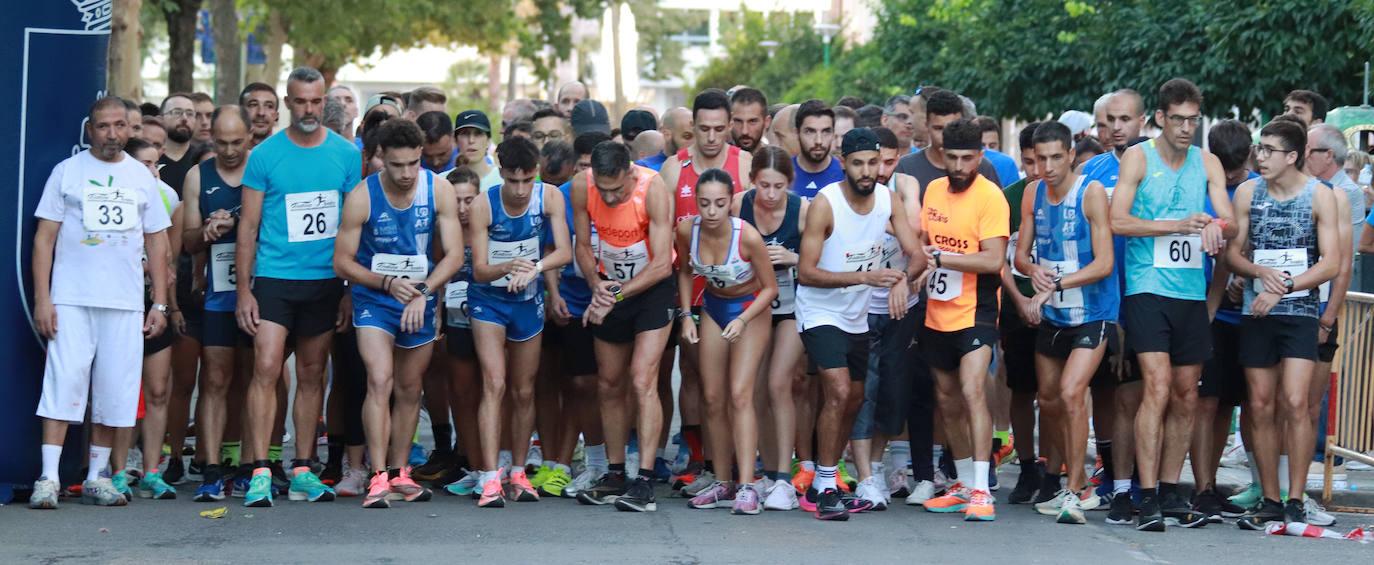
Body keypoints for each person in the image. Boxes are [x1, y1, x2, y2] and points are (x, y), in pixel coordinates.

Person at [29, 96, 172, 509]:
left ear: (130, 129)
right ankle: (49, 478)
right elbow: (45, 238)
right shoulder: (67, 172)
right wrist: (43, 298)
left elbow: (158, 242)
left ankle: (97, 475)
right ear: (90, 130)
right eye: (103, 126)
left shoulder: (141, 177)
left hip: (125, 302)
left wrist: (159, 303)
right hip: (71, 297)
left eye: (119, 126)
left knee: (115, 389)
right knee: (64, 382)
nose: (112, 134)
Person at [1108, 78, 1236, 531]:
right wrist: (1175, 225)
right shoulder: (1138, 158)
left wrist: (1216, 226)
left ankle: (1168, 489)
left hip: (1189, 292)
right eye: (1177, 119)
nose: (1185, 128)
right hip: (1146, 287)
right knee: (1157, 387)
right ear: (1160, 118)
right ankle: (1144, 496)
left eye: (1193, 120)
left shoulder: (1208, 162)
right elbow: (1118, 221)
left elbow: (1230, 218)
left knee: (1186, 394)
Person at [235, 67, 362, 507]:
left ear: (323, 101)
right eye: (300, 102)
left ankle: (305, 466)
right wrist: (244, 291)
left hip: (324, 280)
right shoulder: (265, 155)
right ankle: (259, 469)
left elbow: (353, 225)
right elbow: (247, 226)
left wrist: (348, 288)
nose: (308, 110)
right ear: (287, 103)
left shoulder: (346, 155)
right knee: (266, 367)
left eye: (315, 102)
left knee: (312, 374)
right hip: (274, 277)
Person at [333, 118, 465, 508]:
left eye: (413, 163)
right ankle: (376, 476)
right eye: (396, 165)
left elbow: (455, 255)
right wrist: (387, 283)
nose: (406, 173)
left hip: (419, 300)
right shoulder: (362, 196)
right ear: (380, 161)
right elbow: (341, 262)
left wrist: (424, 291)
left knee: (410, 389)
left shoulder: (438, 190)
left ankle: (399, 471)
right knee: (380, 379)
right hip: (377, 299)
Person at [795, 128, 923, 520]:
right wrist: (865, 278)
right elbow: (807, 272)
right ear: (843, 163)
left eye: (873, 162)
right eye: (858, 163)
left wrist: (902, 277)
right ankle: (829, 483)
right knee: (836, 390)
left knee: (853, 398)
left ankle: (823, 482)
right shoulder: (826, 204)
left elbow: (915, 253)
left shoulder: (888, 199)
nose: (867, 171)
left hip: (856, 317)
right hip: (820, 312)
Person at [1228, 119, 1340, 529]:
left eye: (1270, 150)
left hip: (1300, 311)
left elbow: (1331, 262)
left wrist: (1286, 285)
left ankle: (1296, 496)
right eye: (1260, 149)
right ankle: (1270, 497)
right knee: (1258, 404)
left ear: (1292, 157)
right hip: (1257, 310)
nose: (1261, 157)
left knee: (1295, 402)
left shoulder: (1319, 196)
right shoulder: (1247, 192)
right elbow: (1231, 255)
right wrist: (1258, 270)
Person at [1013, 122, 1118, 525]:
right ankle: (1064, 482)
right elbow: (1021, 255)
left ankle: (1077, 489)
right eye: (1041, 159)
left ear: (1071, 155)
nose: (1049, 166)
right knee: (1051, 400)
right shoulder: (1032, 192)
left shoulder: (1090, 193)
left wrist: (1058, 280)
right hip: (1052, 312)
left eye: (1057, 157)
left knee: (1074, 393)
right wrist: (1033, 271)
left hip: (1093, 311)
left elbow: (1105, 262)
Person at [466, 136, 572, 506]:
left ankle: (518, 471)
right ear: (501, 173)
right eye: (513, 181)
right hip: (489, 301)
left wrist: (535, 269)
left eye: (528, 180)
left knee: (524, 390)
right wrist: (506, 267)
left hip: (527, 300)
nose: (521, 189)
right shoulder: (484, 204)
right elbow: (478, 270)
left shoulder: (551, 197)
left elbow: (564, 251)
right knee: (494, 382)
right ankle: (489, 475)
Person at [572, 142, 675, 513]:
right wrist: (595, 286)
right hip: (610, 284)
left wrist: (614, 297)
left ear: (631, 173)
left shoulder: (654, 189)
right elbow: (582, 246)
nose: (611, 197)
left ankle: (644, 478)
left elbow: (663, 263)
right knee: (609, 382)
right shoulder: (583, 186)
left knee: (642, 379)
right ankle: (616, 472)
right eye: (604, 189)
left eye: (618, 189)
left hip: (651, 289)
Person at [913, 118, 1008, 523]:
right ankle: (965, 483)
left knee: (972, 390)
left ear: (980, 157)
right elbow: (922, 239)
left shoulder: (991, 197)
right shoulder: (934, 190)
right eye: (952, 157)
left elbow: (993, 259)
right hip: (937, 309)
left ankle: (984, 490)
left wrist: (940, 258)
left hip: (977, 309)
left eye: (968, 158)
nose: (959, 165)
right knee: (947, 398)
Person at [676, 169, 779, 514]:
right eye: (704, 203)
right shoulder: (686, 230)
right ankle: (722, 480)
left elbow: (771, 289)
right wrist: (686, 315)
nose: (712, 211)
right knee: (711, 395)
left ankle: (748, 485)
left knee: (739, 393)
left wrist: (743, 319)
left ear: (730, 202)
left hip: (749, 309)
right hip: (713, 306)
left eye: (720, 203)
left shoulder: (746, 236)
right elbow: (685, 271)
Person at [180, 106, 254, 502]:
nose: (228, 151)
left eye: (236, 143)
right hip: (218, 293)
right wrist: (207, 232)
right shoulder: (199, 175)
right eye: (221, 143)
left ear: (250, 137)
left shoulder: (263, 170)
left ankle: (249, 464)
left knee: (255, 378)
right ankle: (210, 469)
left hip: (259, 289)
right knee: (215, 379)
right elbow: (186, 241)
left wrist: (244, 225)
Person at [734, 146, 809, 510]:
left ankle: (784, 478)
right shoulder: (738, 205)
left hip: (792, 306)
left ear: (789, 184)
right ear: (752, 182)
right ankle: (765, 471)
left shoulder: (802, 210)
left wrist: (793, 258)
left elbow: (820, 259)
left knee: (781, 383)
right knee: (757, 389)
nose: (770, 195)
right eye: (764, 185)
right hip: (753, 304)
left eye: (779, 186)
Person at [1187, 120, 1255, 523]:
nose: (1229, 176)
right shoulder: (1203, 184)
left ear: (1248, 156)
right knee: (1204, 401)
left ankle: (1241, 486)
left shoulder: (1255, 187)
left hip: (1246, 313)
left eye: (1236, 168)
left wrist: (1242, 279)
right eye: (1222, 167)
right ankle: (1202, 487)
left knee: (1232, 403)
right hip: (1207, 309)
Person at [118, 136, 182, 501]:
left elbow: (168, 256)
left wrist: (169, 305)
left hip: (154, 302)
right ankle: (120, 465)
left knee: (159, 389)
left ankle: (152, 469)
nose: (152, 172)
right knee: (125, 391)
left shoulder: (167, 196)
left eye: (156, 165)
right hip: (121, 300)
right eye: (145, 165)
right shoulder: (117, 193)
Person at [893, 89, 1001, 190]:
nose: (945, 135)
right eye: (938, 128)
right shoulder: (906, 167)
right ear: (927, 125)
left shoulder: (983, 167)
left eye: (952, 127)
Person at [791, 100, 845, 200]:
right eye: (810, 131)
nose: (818, 141)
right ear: (797, 133)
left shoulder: (846, 175)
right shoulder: (782, 172)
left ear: (833, 133)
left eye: (826, 131)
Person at [452, 110, 502, 190]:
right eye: (465, 134)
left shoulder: (503, 181)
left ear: (488, 141)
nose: (471, 140)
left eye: (478, 134)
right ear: (455, 141)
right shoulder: (443, 183)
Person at [730, 88, 770, 153]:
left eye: (752, 121)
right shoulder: (717, 160)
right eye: (738, 121)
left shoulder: (776, 160)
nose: (744, 131)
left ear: (766, 122)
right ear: (729, 121)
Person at [240, 82, 280, 148]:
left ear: (276, 116)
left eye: (269, 106)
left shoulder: (290, 155)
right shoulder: (226, 155)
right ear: (240, 113)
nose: (261, 113)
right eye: (253, 105)